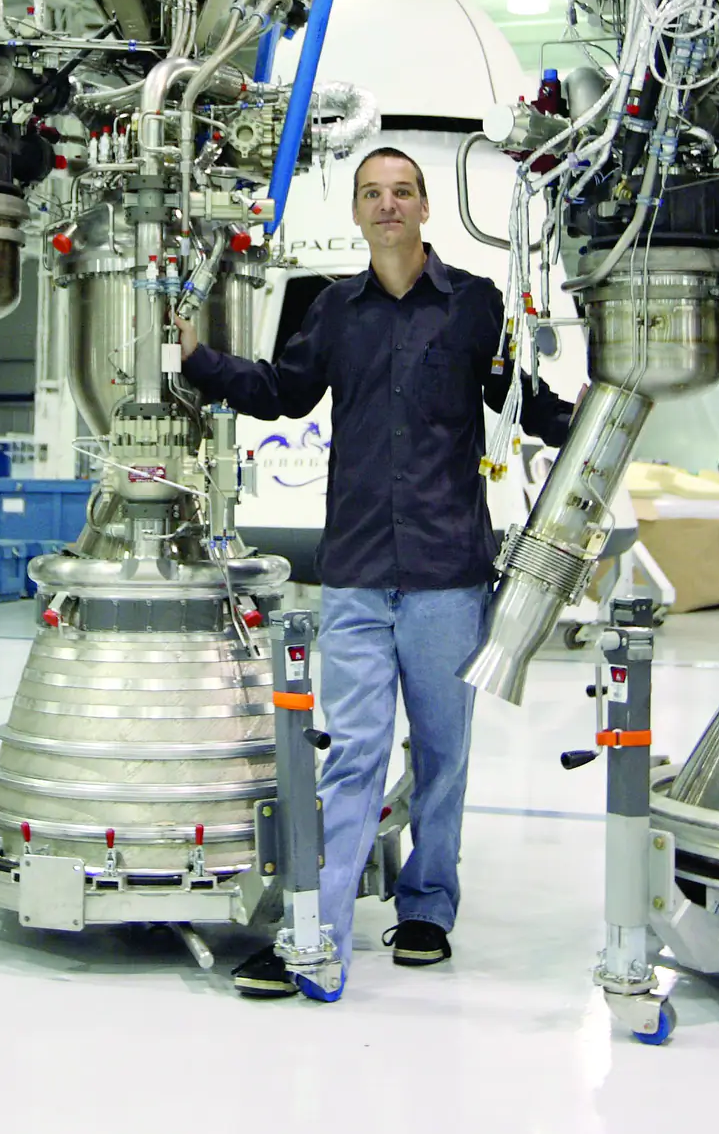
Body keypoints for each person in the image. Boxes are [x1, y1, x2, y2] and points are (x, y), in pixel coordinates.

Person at [179, 146, 577, 999]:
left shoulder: (474, 305)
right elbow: (285, 391)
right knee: (352, 752)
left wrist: (598, 414)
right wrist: (198, 359)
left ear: (425, 207)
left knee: (442, 752)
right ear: (356, 213)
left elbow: (519, 400)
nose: (387, 205)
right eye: (372, 194)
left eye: (401, 192)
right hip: (357, 571)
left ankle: (428, 905)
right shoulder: (333, 310)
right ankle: (314, 930)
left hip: (447, 576)